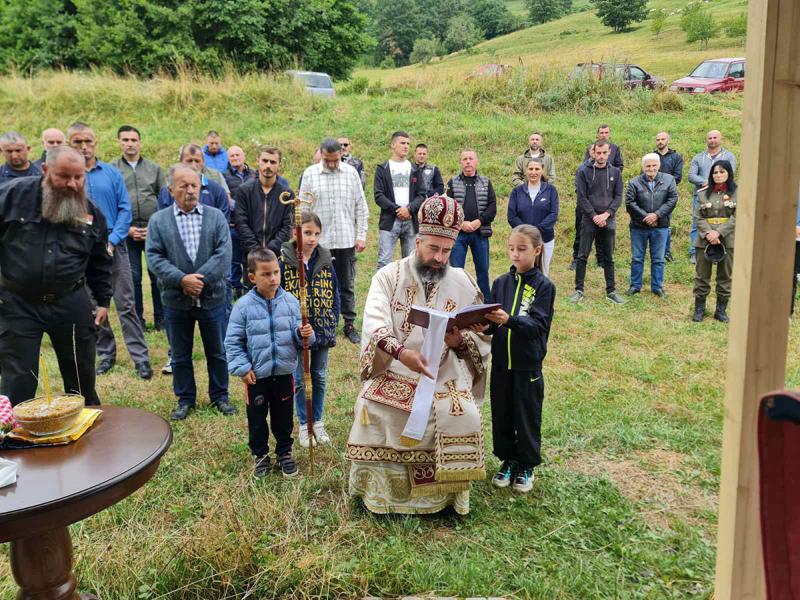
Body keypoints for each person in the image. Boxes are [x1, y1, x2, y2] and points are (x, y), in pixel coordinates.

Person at [346, 194, 491, 515]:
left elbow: (480, 339)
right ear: (418, 239)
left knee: (461, 412)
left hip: (444, 371)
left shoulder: (463, 281)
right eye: (433, 249)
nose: (439, 258)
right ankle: (382, 495)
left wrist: (459, 342)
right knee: (375, 407)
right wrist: (400, 353)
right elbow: (374, 324)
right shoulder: (389, 277)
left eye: (446, 251)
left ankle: (445, 497)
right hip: (395, 368)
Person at [0, 146, 112, 406]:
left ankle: (87, 438)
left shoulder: (92, 213)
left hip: (70, 300)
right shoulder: (11, 197)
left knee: (81, 375)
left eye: (79, 177)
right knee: (18, 379)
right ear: (45, 170)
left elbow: (100, 261)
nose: (72, 184)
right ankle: (13, 439)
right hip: (18, 303)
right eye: (63, 176)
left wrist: (103, 300)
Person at [146, 165, 235, 420]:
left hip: (213, 298)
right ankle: (185, 399)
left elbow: (223, 253)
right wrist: (181, 279)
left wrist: (200, 281)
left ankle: (220, 396)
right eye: (183, 185)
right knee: (180, 353)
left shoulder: (216, 216)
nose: (190, 190)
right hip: (176, 300)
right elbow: (154, 257)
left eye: (194, 185)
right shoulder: (159, 221)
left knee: (217, 351)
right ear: (171, 189)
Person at [67, 122, 152, 379]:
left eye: (88, 142)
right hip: (83, 252)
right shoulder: (68, 177)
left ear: (96, 143)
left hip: (115, 248)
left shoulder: (112, 174)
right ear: (70, 144)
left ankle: (140, 358)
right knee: (94, 306)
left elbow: (125, 209)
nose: (84, 147)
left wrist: (113, 240)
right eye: (78, 142)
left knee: (126, 304)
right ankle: (106, 354)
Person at [226, 248, 314, 478]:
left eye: (276, 272)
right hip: (257, 376)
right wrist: (243, 368)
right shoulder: (243, 307)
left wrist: (304, 334)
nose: (273, 278)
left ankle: (284, 452)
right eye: (266, 274)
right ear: (252, 277)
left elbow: (301, 339)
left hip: (285, 373)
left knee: (283, 416)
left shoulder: (292, 302)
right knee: (257, 419)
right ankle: (261, 455)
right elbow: (233, 341)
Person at [485, 224, 555, 493]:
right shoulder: (501, 283)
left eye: (522, 249)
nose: (515, 254)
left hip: (528, 366)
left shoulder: (544, 286)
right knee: (502, 413)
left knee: (526, 415)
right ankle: (507, 460)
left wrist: (510, 320)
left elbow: (538, 325)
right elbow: (493, 324)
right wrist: (485, 324)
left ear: (537, 251)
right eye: (511, 248)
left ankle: (526, 465)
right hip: (502, 363)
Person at [299, 138, 369, 345]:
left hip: (346, 237)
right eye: (327, 160)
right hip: (320, 242)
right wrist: (304, 237)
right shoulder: (310, 174)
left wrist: (361, 235)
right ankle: (324, 322)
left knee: (346, 283)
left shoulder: (351, 173)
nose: (331, 164)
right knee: (321, 283)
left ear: (341, 155)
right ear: (321, 154)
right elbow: (303, 209)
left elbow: (361, 206)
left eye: (335, 160)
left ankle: (349, 323)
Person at [279, 211, 340, 448]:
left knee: (319, 376)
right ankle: (305, 425)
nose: (312, 238)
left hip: (322, 328)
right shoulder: (284, 260)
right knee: (300, 379)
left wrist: (333, 318)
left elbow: (335, 291)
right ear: (296, 233)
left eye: (316, 233)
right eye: (307, 233)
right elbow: (280, 294)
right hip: (297, 330)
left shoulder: (325, 259)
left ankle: (318, 421)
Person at [113, 125, 167, 330]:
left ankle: (162, 319)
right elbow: (110, 202)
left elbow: (163, 200)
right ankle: (138, 321)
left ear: (140, 143)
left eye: (133, 140)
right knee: (132, 277)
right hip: (126, 232)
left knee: (157, 275)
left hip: (153, 231)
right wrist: (126, 229)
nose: (129, 144)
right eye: (125, 140)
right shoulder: (113, 169)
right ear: (119, 142)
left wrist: (155, 226)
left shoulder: (154, 169)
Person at [571, 140, 625, 304]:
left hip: (608, 220)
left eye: (604, 153)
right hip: (589, 219)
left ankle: (611, 291)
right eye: (598, 153)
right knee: (582, 256)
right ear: (593, 153)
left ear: (609, 153)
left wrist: (607, 214)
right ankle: (579, 290)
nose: (601, 156)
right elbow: (582, 197)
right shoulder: (583, 171)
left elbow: (618, 197)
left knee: (609, 257)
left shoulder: (615, 172)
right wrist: (594, 216)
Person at [233, 145, 294, 280]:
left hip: (277, 257)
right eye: (265, 160)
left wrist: (271, 249)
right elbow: (240, 222)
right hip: (251, 255)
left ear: (279, 165)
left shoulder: (287, 194)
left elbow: (288, 225)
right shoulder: (244, 191)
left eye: (273, 162)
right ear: (257, 161)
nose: (268, 165)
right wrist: (256, 250)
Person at [447, 149, 497, 299]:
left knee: (482, 270)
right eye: (464, 159)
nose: (468, 161)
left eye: (470, 158)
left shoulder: (486, 183)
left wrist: (479, 221)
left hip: (480, 233)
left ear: (476, 161)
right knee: (456, 271)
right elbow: (448, 207)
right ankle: (456, 301)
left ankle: (486, 304)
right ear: (460, 162)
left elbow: (492, 207)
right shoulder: (452, 183)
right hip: (458, 234)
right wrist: (461, 223)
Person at [626, 153, 678, 297]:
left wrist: (657, 214)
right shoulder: (634, 182)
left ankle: (657, 287)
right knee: (637, 258)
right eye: (648, 166)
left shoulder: (669, 180)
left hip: (660, 226)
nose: (651, 168)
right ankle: (635, 286)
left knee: (658, 259)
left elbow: (673, 199)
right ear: (643, 167)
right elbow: (630, 203)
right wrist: (645, 217)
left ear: (659, 166)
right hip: (638, 227)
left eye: (654, 165)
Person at [692, 160, 737, 323]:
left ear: (728, 173)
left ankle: (721, 310)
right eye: (715, 172)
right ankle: (699, 309)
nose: (718, 175)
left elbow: (737, 217)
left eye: (722, 172)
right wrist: (709, 234)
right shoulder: (703, 193)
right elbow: (698, 216)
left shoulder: (737, 192)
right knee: (702, 275)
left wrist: (718, 232)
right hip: (705, 240)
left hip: (728, 239)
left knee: (725, 275)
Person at [374, 131, 426, 269]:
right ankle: (382, 291)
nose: (406, 146)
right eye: (402, 143)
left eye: (408, 144)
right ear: (393, 145)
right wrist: (397, 210)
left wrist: (409, 209)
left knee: (411, 263)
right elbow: (378, 196)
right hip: (390, 221)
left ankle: (409, 291)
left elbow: (421, 195)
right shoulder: (383, 168)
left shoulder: (415, 169)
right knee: (384, 262)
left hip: (411, 221)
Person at [688, 130, 737, 263]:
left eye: (715, 137)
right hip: (703, 196)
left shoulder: (729, 156)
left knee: (723, 222)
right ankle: (694, 252)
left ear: (721, 139)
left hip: (725, 195)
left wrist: (714, 181)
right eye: (710, 138)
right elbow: (691, 175)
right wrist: (707, 183)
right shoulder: (698, 157)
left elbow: (729, 173)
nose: (712, 140)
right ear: (706, 140)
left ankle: (720, 251)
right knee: (696, 223)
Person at [507, 157, 559, 276]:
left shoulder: (551, 190)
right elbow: (512, 216)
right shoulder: (517, 191)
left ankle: (541, 294)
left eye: (537, 169)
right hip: (521, 240)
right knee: (521, 271)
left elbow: (553, 214)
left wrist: (536, 230)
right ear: (526, 171)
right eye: (530, 169)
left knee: (543, 273)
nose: (533, 172)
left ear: (542, 170)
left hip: (545, 239)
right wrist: (526, 232)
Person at [654, 132, 683, 262]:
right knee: (651, 223)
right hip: (651, 195)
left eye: (663, 139)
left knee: (665, 224)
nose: (660, 141)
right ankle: (654, 252)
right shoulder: (651, 156)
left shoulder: (676, 157)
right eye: (658, 139)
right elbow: (644, 174)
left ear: (668, 140)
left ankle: (666, 253)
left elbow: (678, 177)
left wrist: (664, 185)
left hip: (668, 196)